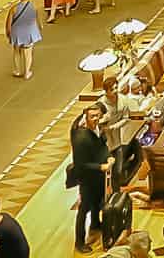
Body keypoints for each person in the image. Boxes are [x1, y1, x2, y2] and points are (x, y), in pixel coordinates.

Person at [71, 103, 112, 253]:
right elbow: (80, 165)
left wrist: (108, 158)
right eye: (92, 116)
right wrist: (100, 167)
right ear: (86, 118)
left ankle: (95, 224)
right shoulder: (81, 138)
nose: (96, 119)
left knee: (98, 202)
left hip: (99, 177)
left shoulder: (97, 129)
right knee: (84, 209)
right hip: (87, 179)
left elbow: (102, 147)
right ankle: (79, 242)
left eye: (97, 116)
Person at [7, 0, 42, 79]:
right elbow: (37, 19)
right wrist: (39, 28)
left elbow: (9, 23)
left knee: (16, 52)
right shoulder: (33, 6)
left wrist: (8, 33)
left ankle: (17, 70)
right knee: (27, 53)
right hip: (29, 33)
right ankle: (27, 72)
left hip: (17, 33)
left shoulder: (14, 9)